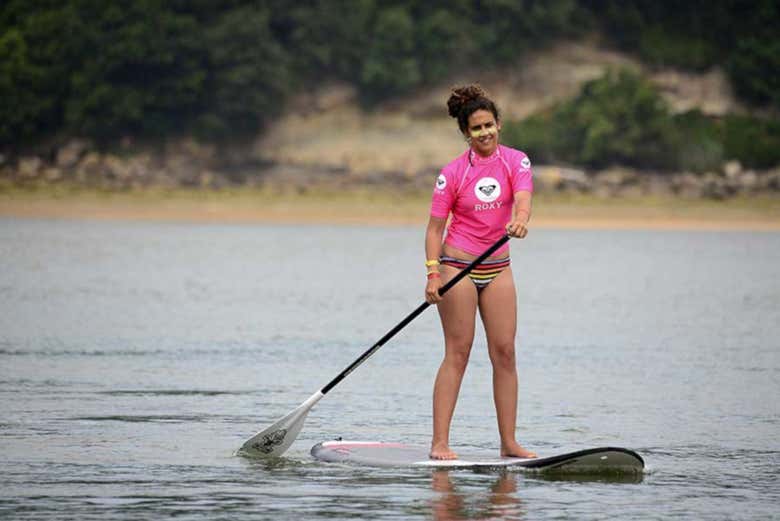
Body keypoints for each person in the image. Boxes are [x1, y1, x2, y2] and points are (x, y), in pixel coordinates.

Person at [424, 84, 536, 460]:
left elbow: (522, 199)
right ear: (466, 134)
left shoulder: (516, 162)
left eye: (489, 125)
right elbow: (434, 230)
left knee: (505, 352)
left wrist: (520, 220)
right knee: (458, 352)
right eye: (476, 128)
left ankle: (508, 443)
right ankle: (440, 443)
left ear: (499, 124)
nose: (485, 133)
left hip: (498, 267)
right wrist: (432, 275)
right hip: (457, 268)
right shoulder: (452, 173)